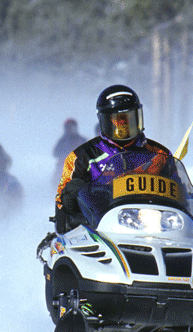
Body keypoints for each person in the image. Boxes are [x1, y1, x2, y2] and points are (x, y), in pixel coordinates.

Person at [54, 84, 171, 233]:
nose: (124, 128)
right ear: (105, 121)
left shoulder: (159, 154)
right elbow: (62, 199)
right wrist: (71, 202)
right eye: (118, 122)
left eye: (129, 119)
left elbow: (180, 192)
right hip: (100, 228)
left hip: (153, 226)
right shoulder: (82, 156)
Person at [52, 118, 87, 185]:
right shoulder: (62, 141)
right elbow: (55, 153)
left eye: (73, 127)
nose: (71, 129)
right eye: (69, 127)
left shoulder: (81, 140)